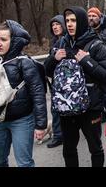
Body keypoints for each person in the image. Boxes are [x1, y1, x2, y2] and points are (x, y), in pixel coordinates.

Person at [45, 6, 106, 167]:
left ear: (82, 22)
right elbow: (47, 72)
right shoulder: (61, 43)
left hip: (91, 107)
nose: (69, 24)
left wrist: (87, 61)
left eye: (74, 20)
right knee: (68, 149)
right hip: (66, 107)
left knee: (95, 147)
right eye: (67, 20)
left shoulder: (96, 44)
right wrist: (53, 59)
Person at [0, 20, 47, 167]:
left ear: (14, 41)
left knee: (24, 163)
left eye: (3, 39)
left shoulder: (25, 63)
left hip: (22, 121)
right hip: (0, 120)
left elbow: (38, 94)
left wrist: (41, 125)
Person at [44, 15, 66, 148]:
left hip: (64, 82)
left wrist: (52, 60)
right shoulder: (54, 41)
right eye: (53, 25)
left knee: (58, 110)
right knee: (56, 109)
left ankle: (59, 135)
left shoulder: (65, 40)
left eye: (58, 24)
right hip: (55, 81)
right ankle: (59, 135)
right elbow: (49, 63)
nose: (55, 27)